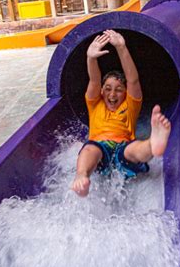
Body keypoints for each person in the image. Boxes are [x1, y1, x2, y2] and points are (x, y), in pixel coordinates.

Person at [71, 30, 171, 197]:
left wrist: (122, 47)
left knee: (134, 150)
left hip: (123, 148)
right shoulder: (95, 103)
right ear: (101, 91)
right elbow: (94, 79)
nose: (112, 94)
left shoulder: (130, 105)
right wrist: (91, 58)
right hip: (99, 148)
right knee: (89, 150)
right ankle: (82, 176)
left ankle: (153, 144)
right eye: (108, 89)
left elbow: (133, 80)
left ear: (125, 93)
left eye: (119, 90)